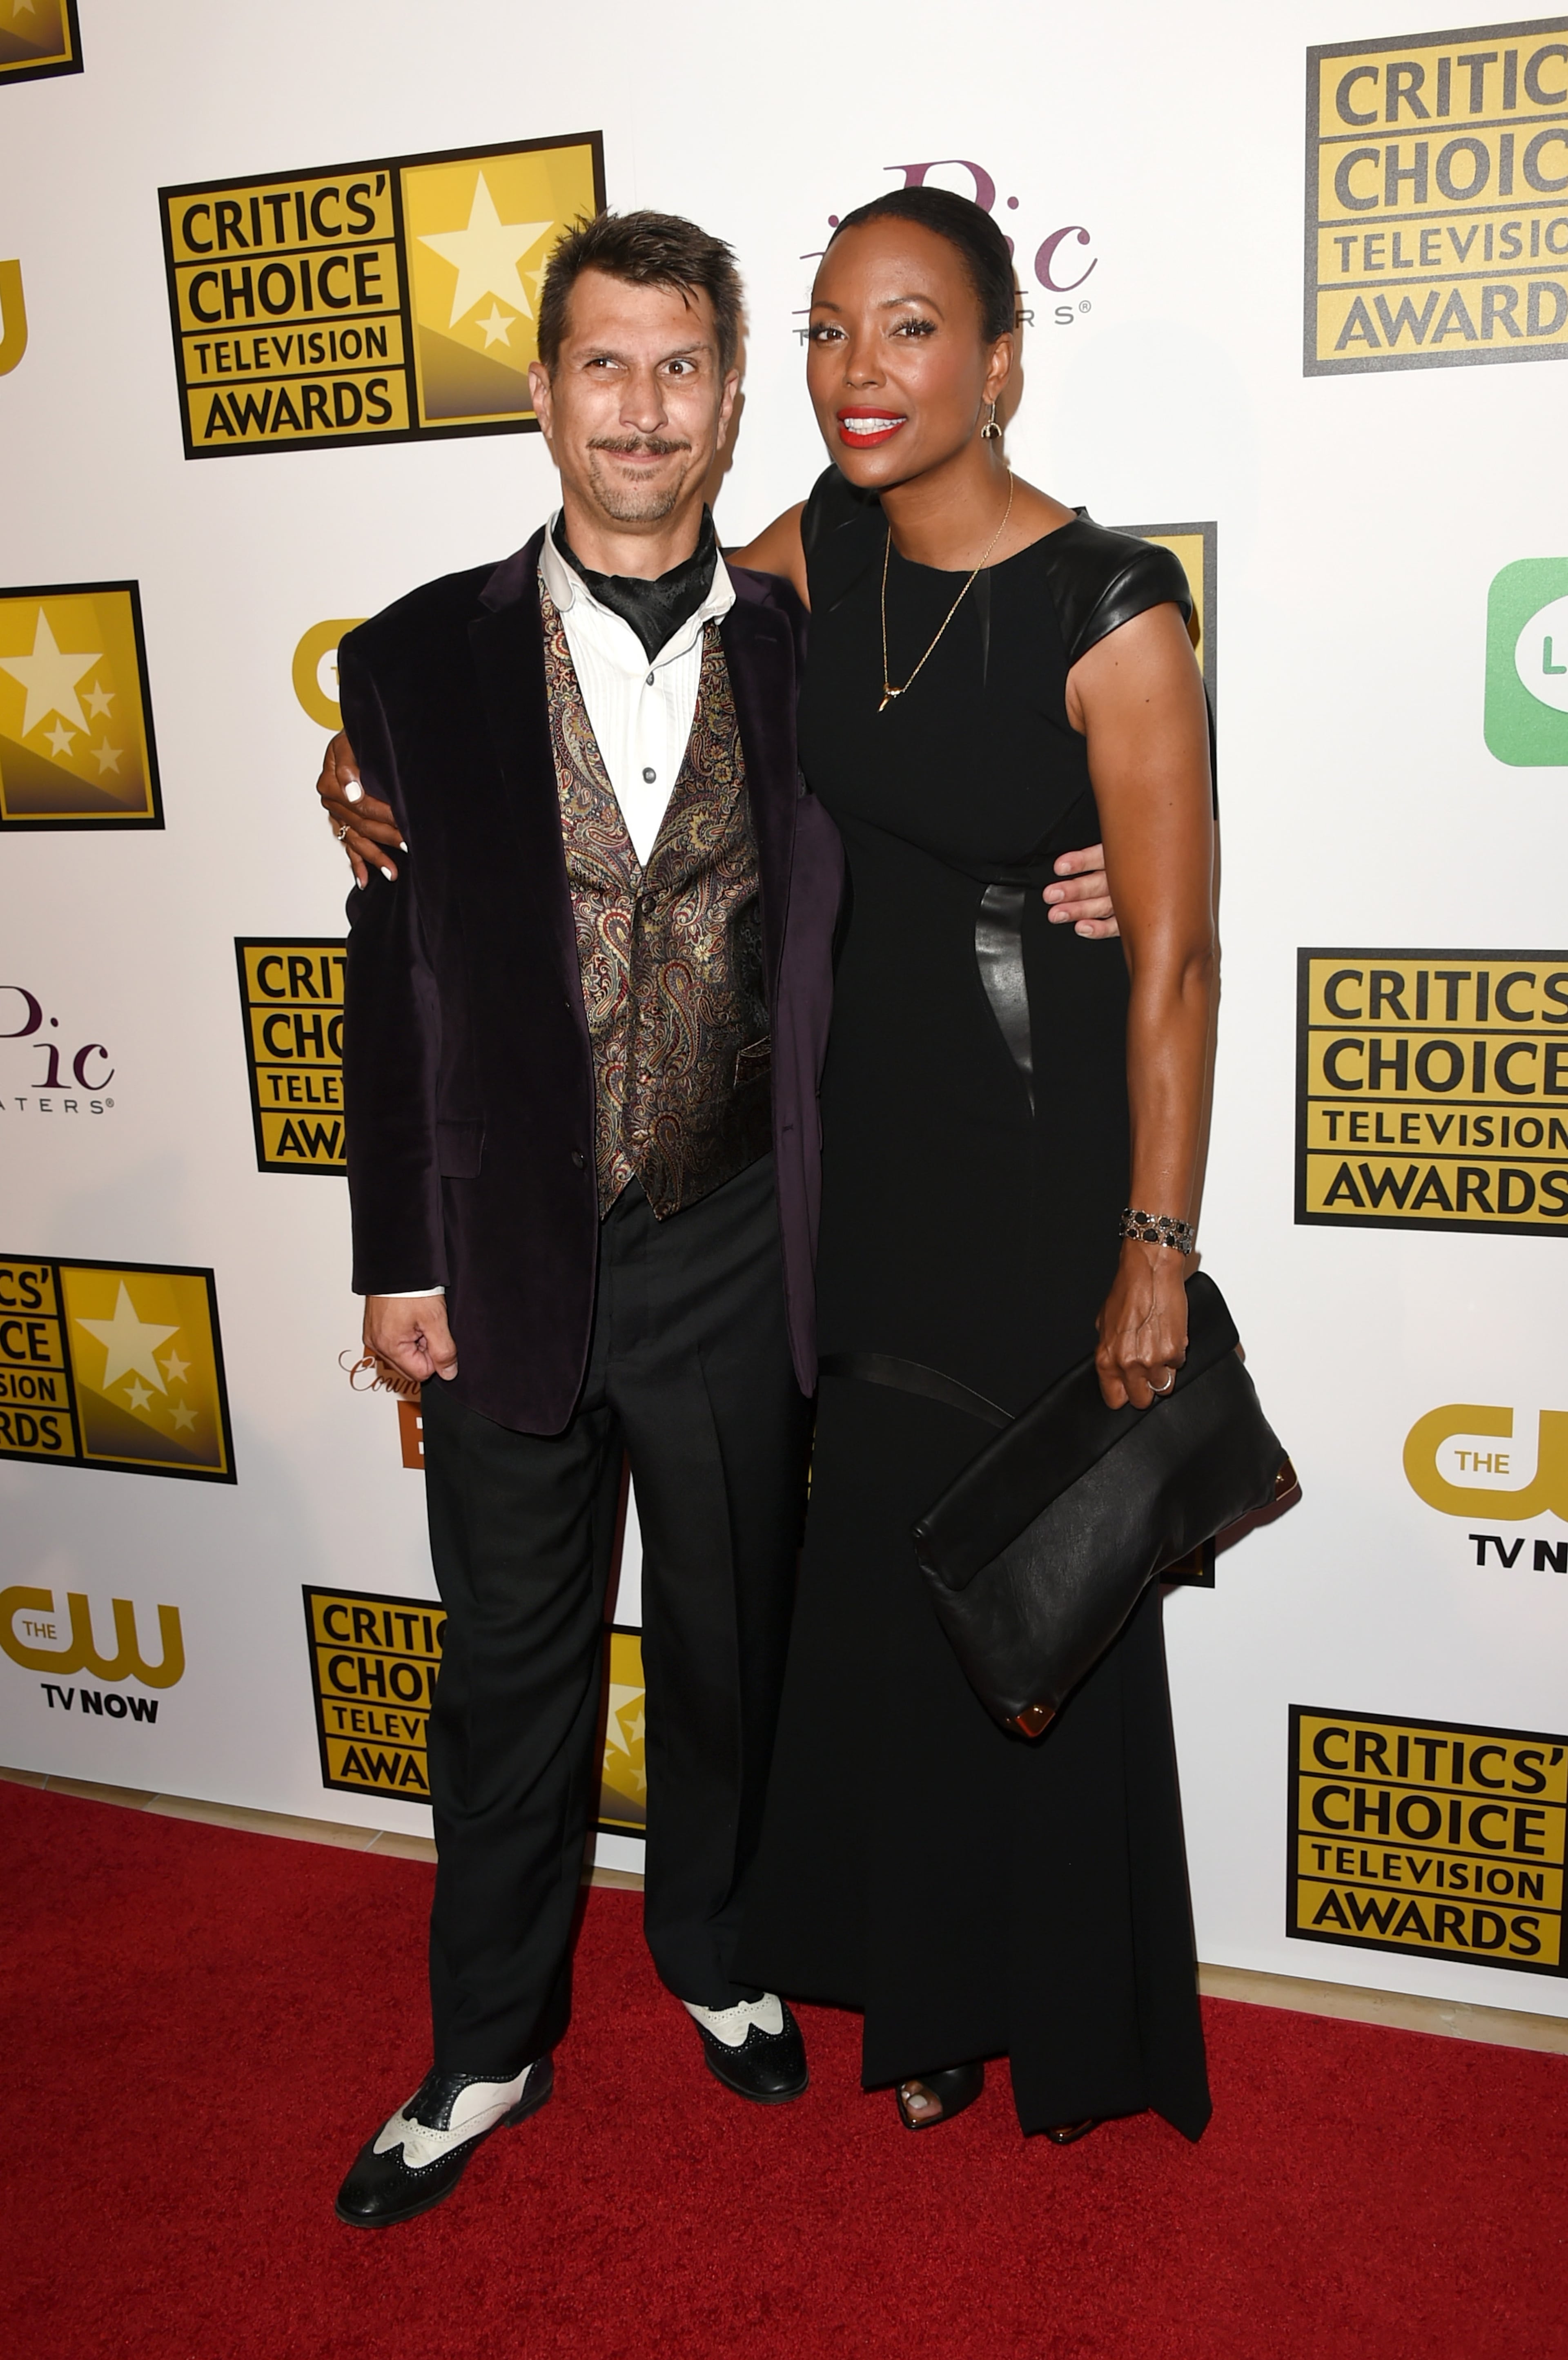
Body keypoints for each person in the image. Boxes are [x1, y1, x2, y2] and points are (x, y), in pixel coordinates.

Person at [314, 203, 1143, 2200]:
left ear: (730, 397)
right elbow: (390, 969)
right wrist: (396, 1253)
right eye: (605, 363)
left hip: (738, 1250)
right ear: (543, 393)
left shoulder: (812, 642)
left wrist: (1092, 856)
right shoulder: (410, 655)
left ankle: (717, 1953)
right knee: (509, 1669)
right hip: (502, 1266)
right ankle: (483, 2043)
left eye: (684, 367)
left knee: (728, 1646)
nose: (644, 409)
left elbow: (978, 784)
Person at [727, 185, 1218, 2142]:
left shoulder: (1114, 604)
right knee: (894, 1580)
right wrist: (386, 729)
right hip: (870, 1155)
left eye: (913, 328)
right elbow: (625, 614)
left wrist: (1154, 1243)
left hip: (1037, 1159)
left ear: (1001, 361)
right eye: (835, 329)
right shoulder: (822, 548)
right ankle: (923, 1990)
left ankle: (1061, 2008)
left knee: (1038, 1584)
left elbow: (1174, 955)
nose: (864, 369)